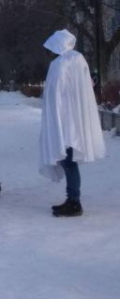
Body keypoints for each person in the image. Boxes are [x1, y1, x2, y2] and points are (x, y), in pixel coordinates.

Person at [39, 29, 106, 217]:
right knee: (69, 161)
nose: (48, 52)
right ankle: (72, 199)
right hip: (72, 119)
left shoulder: (62, 63)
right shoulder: (76, 59)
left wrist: (56, 120)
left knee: (69, 162)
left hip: (66, 121)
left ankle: (74, 201)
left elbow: (57, 94)